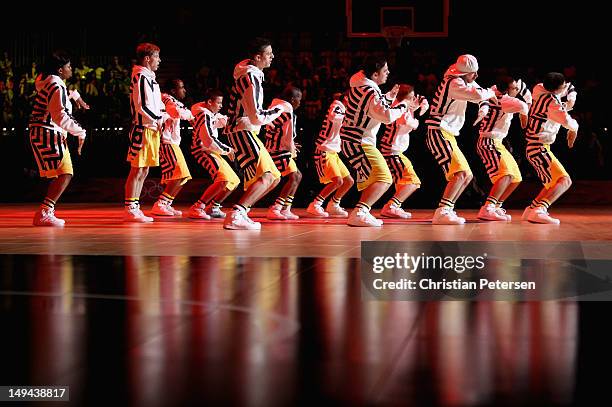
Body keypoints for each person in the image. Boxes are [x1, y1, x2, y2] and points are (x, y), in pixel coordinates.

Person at [223, 37, 287, 230]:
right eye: (269, 54)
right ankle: (237, 214)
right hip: (241, 130)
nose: (272, 57)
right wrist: (279, 110)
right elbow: (257, 116)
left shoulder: (251, 74)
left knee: (274, 177)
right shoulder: (251, 77)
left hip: (244, 130)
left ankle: (241, 212)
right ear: (258, 57)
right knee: (268, 175)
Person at [425, 54, 497, 224]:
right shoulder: (454, 83)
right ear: (464, 72)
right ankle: (442, 211)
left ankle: (447, 209)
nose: (476, 76)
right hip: (438, 130)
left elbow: (481, 96)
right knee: (460, 174)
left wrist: (483, 109)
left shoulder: (464, 79)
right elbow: (479, 95)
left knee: (467, 175)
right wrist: (491, 92)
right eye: (474, 73)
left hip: (446, 133)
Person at [340, 56, 409, 227]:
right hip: (358, 140)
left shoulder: (363, 87)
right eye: (385, 71)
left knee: (375, 178)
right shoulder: (370, 91)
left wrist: (389, 97)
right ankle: (359, 213)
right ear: (375, 75)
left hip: (355, 139)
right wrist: (403, 106)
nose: (388, 73)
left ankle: (361, 212)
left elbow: (372, 108)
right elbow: (385, 116)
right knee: (384, 178)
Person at [29, 50, 87, 226]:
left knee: (61, 174)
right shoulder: (56, 85)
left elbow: (57, 102)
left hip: (44, 131)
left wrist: (74, 95)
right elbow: (60, 115)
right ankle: (44, 211)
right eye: (69, 66)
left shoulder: (49, 83)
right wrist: (81, 132)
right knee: (65, 173)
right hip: (47, 131)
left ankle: (46, 210)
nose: (71, 69)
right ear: (60, 70)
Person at [521, 72, 579, 224]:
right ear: (558, 88)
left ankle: (532, 209)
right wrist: (574, 129)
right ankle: (540, 210)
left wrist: (570, 99)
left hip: (536, 147)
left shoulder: (539, 89)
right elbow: (567, 120)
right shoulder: (552, 103)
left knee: (553, 183)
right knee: (564, 180)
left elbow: (569, 89)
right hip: (538, 147)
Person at [474, 75, 530, 221]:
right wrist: (524, 114)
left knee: (515, 178)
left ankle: (496, 206)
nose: (517, 90)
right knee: (505, 175)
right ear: (505, 90)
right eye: (514, 88)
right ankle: (487, 208)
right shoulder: (503, 100)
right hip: (488, 142)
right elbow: (523, 106)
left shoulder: (494, 91)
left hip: (497, 142)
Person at [124, 43, 168, 222]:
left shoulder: (150, 77)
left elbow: (156, 104)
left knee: (144, 170)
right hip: (143, 129)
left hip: (151, 128)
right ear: (148, 59)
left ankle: (135, 206)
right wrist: (158, 119)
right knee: (137, 169)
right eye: (157, 57)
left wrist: (162, 115)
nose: (159, 60)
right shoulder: (141, 76)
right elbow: (141, 105)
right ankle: (130, 207)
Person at [379, 84, 429, 219]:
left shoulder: (402, 107)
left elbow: (419, 101)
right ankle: (391, 206)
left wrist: (420, 104)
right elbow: (410, 122)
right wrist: (416, 119)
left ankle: (394, 207)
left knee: (402, 182)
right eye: (410, 97)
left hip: (395, 151)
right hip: (391, 151)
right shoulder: (399, 108)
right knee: (413, 182)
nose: (413, 100)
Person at [189, 89, 240, 219]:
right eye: (218, 103)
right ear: (209, 102)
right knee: (223, 179)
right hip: (203, 150)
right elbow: (208, 140)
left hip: (211, 150)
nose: (221, 106)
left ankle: (213, 207)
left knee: (233, 181)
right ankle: (198, 207)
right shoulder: (203, 115)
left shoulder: (210, 115)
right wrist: (227, 149)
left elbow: (223, 123)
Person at [150, 79, 194, 216]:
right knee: (180, 174)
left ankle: (166, 203)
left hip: (172, 142)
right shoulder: (166, 99)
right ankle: (161, 203)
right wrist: (191, 116)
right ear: (173, 90)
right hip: (166, 141)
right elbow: (178, 112)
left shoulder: (170, 100)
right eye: (181, 87)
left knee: (181, 176)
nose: (184, 90)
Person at [306, 92, 354, 218]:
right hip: (324, 150)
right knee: (337, 181)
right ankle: (315, 204)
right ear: (346, 98)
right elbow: (333, 116)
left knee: (348, 181)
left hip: (333, 152)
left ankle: (333, 205)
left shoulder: (342, 108)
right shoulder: (337, 105)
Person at [264, 85, 303, 220]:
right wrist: (291, 148)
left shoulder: (276, 107)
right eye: (299, 99)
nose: (300, 102)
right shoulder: (288, 109)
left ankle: (285, 208)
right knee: (294, 177)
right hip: (278, 149)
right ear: (293, 99)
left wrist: (291, 144)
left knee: (297, 176)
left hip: (275, 147)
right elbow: (288, 134)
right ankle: (276, 208)